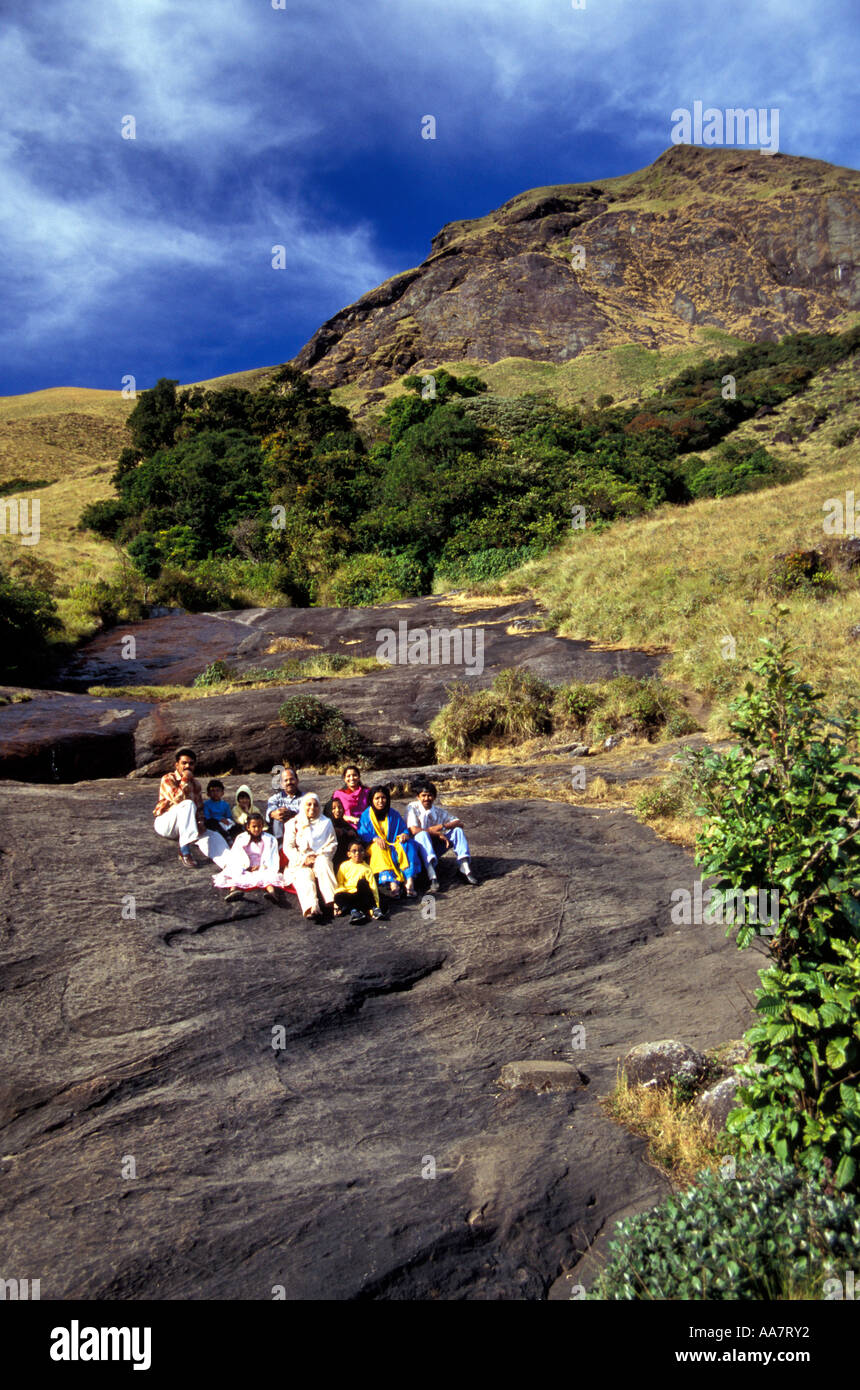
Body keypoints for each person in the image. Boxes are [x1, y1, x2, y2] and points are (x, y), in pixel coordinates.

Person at [153, 747, 231, 869]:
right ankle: (184, 850)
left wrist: (200, 822)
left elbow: (199, 808)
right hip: (166, 823)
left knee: (213, 835)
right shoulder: (168, 778)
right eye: (184, 763)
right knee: (188, 804)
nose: (187, 766)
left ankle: (230, 864)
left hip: (186, 826)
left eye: (191, 764)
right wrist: (185, 779)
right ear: (177, 765)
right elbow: (177, 799)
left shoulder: (196, 784)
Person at [406, 780, 478, 888]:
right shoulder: (412, 807)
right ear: (418, 797)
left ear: (434, 797)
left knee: (457, 831)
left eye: (429, 795)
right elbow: (414, 830)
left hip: (435, 847)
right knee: (422, 835)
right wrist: (437, 834)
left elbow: (459, 823)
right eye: (423, 796)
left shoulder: (438, 811)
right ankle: (432, 875)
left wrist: (441, 827)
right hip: (418, 850)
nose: (426, 799)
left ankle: (465, 869)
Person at [357, 785, 421, 899]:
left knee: (408, 844)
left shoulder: (393, 813)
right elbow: (362, 832)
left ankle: (409, 881)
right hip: (374, 845)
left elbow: (403, 829)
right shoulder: (366, 815)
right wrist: (374, 838)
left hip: (393, 843)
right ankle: (393, 884)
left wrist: (404, 834)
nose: (380, 801)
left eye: (383, 797)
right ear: (371, 800)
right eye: (377, 798)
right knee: (379, 848)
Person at [283, 792, 338, 920]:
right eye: (309, 804)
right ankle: (312, 907)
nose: (312, 808)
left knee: (324, 865)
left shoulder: (326, 822)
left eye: (315, 805)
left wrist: (319, 855)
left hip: (320, 856)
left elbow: (332, 843)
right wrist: (303, 859)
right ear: (303, 806)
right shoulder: (293, 823)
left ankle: (333, 901)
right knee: (304, 875)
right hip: (301, 860)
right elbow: (288, 847)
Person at [212, 812, 286, 904]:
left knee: (268, 875)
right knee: (235, 872)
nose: (257, 829)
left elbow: (272, 857)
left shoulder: (270, 839)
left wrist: (261, 867)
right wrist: (246, 867)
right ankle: (233, 891)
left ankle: (271, 893)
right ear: (248, 827)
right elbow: (236, 855)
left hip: (262, 866)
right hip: (244, 866)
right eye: (254, 826)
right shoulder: (241, 838)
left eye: (259, 826)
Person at [333, 841, 387, 924]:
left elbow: (373, 887)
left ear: (364, 853)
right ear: (349, 854)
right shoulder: (344, 866)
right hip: (350, 896)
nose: (357, 853)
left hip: (362, 896)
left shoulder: (367, 868)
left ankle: (374, 909)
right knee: (338, 896)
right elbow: (340, 883)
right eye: (354, 851)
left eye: (361, 850)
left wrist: (376, 905)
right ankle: (355, 912)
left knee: (362, 883)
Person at [267, 766, 302, 844]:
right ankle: (280, 849)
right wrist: (273, 813)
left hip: (300, 834)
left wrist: (292, 814)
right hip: (281, 833)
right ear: (282, 784)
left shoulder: (306, 798)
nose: (289, 782)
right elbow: (270, 811)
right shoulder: (274, 799)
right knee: (278, 817)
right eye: (286, 780)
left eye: (291, 779)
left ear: (297, 780)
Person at [325, 794, 360, 870]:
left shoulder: (345, 824)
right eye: (333, 808)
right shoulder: (325, 825)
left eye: (340, 807)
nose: (337, 810)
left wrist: (348, 833)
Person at [331, 764, 371, 829]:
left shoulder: (367, 792)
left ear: (359, 777)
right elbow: (333, 812)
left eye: (354, 775)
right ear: (344, 778)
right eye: (348, 776)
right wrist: (348, 818)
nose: (351, 778)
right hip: (346, 826)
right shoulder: (339, 794)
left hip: (366, 825)